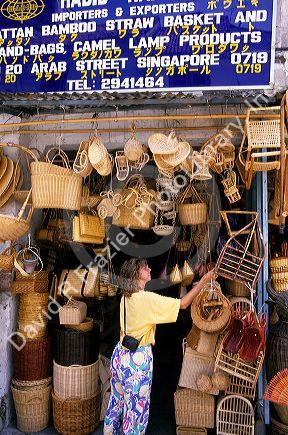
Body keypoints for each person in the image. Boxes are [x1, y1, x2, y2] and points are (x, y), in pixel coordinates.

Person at [104, 258, 215, 435]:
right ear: (136, 274)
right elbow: (183, 304)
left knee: (116, 405)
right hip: (136, 363)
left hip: (120, 355)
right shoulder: (145, 299)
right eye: (144, 267)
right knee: (135, 415)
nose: (149, 268)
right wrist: (204, 280)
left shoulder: (126, 297)